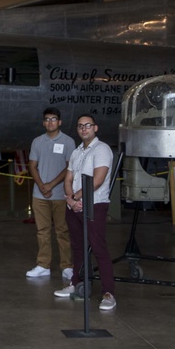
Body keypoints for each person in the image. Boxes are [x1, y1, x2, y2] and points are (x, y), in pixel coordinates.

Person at [54, 114, 117, 311]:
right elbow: (68, 178)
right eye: (80, 126)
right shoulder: (77, 151)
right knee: (78, 247)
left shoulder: (102, 149)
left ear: (95, 128)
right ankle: (76, 283)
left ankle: (109, 293)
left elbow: (97, 180)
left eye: (88, 125)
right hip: (74, 206)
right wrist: (71, 199)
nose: (84, 129)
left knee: (98, 248)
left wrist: (77, 198)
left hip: (94, 205)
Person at [25, 107, 76, 281]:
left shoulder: (68, 142)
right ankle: (43, 265)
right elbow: (32, 165)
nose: (50, 122)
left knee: (63, 231)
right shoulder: (37, 141)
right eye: (47, 119)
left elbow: (70, 167)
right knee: (42, 231)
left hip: (62, 194)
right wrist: (41, 186)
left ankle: (67, 266)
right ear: (43, 122)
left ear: (59, 122)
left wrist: (51, 185)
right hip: (40, 195)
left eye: (53, 119)